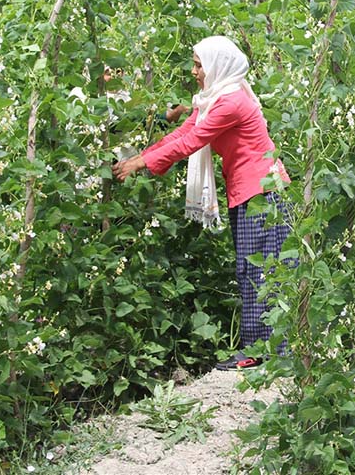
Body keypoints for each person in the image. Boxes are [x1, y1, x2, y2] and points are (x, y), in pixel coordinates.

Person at [113, 35, 292, 371]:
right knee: (252, 268)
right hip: (250, 191)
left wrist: (140, 164)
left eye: (199, 64)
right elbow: (181, 134)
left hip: (263, 193)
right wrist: (139, 158)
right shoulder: (216, 97)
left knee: (262, 270)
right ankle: (266, 349)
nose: (194, 71)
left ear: (217, 66)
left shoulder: (230, 103)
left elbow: (192, 142)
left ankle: (272, 352)